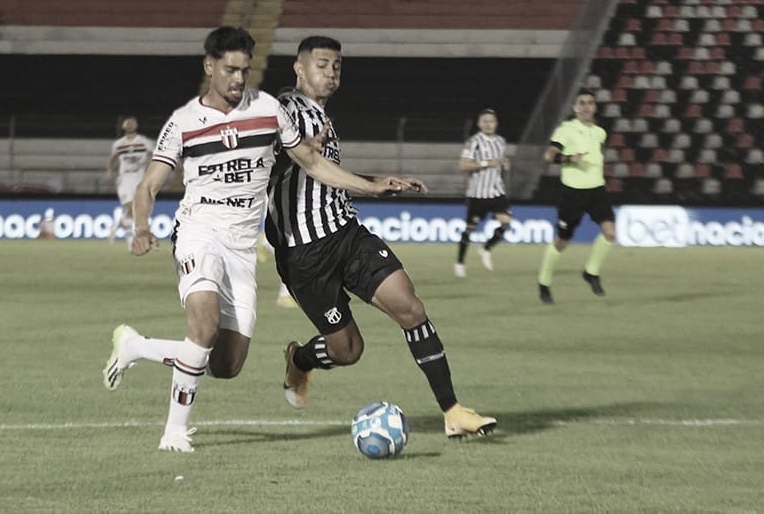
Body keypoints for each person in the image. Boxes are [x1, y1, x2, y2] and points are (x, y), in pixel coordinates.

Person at [101, 26, 412, 453]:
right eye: (229, 69)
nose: (237, 80)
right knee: (204, 327)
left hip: (242, 248)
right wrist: (140, 228)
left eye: (244, 71)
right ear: (209, 66)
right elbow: (148, 185)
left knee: (226, 365)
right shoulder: (185, 122)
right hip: (199, 232)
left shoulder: (268, 110)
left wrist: (371, 186)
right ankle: (174, 432)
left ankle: (136, 345)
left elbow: (313, 164)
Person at [267, 36, 497, 441]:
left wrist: (373, 182)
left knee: (410, 308)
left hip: (346, 234)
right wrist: (302, 159)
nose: (331, 72)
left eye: (337, 65)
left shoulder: (321, 114)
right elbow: (278, 169)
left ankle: (453, 411)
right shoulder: (284, 111)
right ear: (299, 69)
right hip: (305, 255)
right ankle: (300, 358)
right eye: (322, 64)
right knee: (348, 351)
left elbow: (324, 178)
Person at [537, 89, 615, 304]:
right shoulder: (566, 130)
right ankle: (544, 282)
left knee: (610, 233)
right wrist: (570, 158)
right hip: (572, 193)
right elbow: (548, 156)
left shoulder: (600, 132)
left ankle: (591, 272)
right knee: (562, 241)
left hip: (597, 190)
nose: (586, 106)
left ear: (595, 107)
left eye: (590, 102)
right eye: (582, 102)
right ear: (575, 107)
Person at [454, 108, 512, 278]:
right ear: (480, 124)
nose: (488, 124)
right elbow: (463, 165)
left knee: (506, 223)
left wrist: (504, 165)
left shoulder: (501, 141)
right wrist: (486, 162)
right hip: (477, 194)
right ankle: (460, 262)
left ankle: (486, 248)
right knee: (469, 230)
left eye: (491, 121)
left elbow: (499, 163)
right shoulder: (474, 142)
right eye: (485, 121)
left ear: (496, 123)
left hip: (496, 191)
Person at [105, 116, 154, 245]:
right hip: (125, 178)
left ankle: (116, 228)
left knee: (133, 208)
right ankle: (129, 236)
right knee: (130, 206)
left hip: (139, 178)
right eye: (128, 123)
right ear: (123, 127)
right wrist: (109, 170)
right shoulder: (118, 144)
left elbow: (153, 155)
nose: (130, 125)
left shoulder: (144, 141)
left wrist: (151, 169)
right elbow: (113, 158)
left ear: (136, 125)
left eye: (133, 123)